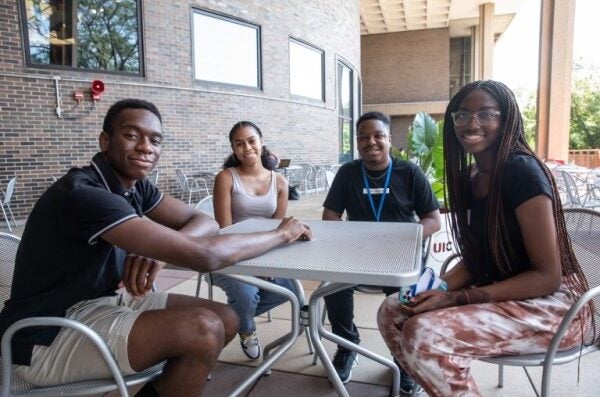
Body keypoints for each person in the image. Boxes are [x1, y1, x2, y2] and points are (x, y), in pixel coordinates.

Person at [0, 99, 312, 397]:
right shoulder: (85, 194)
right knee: (202, 330)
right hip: (46, 334)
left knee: (229, 318)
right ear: (104, 140)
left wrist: (160, 252)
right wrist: (282, 233)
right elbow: (207, 256)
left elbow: (202, 221)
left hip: (104, 302)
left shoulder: (134, 186)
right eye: (132, 135)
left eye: (155, 140)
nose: (146, 147)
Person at [377, 80, 592, 396]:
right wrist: (437, 289)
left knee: (425, 335)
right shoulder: (471, 178)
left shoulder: (522, 172)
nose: (471, 124)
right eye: (461, 115)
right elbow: (478, 260)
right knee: (394, 310)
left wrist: (455, 298)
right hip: (509, 294)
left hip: (556, 309)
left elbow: (548, 276)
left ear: (505, 120)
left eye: (485, 114)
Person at [321, 111, 441, 390]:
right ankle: (347, 345)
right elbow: (330, 216)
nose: (370, 142)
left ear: (389, 139)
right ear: (357, 142)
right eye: (363, 137)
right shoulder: (348, 173)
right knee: (333, 286)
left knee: (407, 296)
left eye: (378, 136)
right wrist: (350, 238)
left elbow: (433, 220)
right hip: (358, 254)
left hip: (399, 255)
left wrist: (399, 237)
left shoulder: (409, 172)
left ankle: (403, 360)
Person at [211, 121, 298, 360]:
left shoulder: (279, 182)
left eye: (251, 141)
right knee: (246, 293)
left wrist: (265, 265)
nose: (246, 148)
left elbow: (276, 230)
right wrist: (254, 269)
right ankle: (246, 328)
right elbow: (225, 231)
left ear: (261, 143)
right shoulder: (226, 178)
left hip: (264, 252)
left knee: (291, 291)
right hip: (227, 255)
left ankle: (232, 317)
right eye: (239, 144)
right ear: (233, 149)